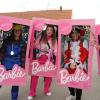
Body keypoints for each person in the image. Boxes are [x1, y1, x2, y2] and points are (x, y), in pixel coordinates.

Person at [28, 24, 57, 100]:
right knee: (34, 75)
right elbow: (34, 45)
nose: (49, 31)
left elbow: (56, 51)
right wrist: (34, 38)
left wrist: (56, 60)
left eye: (51, 30)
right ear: (45, 30)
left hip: (49, 59)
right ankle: (32, 92)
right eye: (48, 29)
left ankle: (46, 90)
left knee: (48, 76)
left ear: (53, 32)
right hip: (40, 58)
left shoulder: (54, 40)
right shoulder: (41, 37)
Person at [0, 24, 26, 100]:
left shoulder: (23, 42)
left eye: (19, 30)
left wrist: (22, 66)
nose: (17, 31)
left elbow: (23, 55)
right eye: (16, 30)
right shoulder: (7, 40)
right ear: (13, 31)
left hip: (17, 64)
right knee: (1, 80)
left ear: (21, 31)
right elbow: (2, 51)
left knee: (15, 82)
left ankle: (14, 98)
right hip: (6, 62)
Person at [64, 29, 88, 100]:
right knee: (68, 79)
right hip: (70, 63)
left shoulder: (83, 42)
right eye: (73, 34)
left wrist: (78, 62)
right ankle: (72, 93)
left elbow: (85, 53)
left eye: (76, 34)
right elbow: (66, 54)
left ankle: (78, 98)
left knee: (79, 82)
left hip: (80, 63)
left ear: (79, 35)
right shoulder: (68, 43)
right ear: (71, 35)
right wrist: (69, 62)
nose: (74, 35)